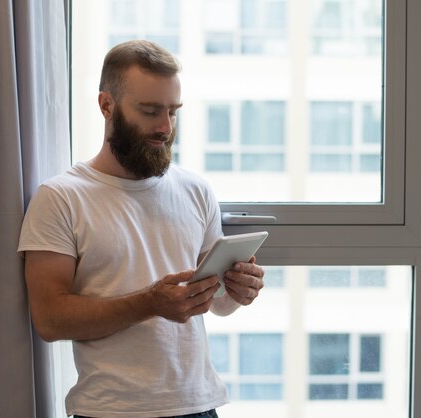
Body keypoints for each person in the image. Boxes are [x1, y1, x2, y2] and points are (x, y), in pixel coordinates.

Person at [18, 40, 265, 418]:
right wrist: (148, 303)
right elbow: (50, 319)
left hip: (200, 405)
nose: (165, 128)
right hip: (111, 410)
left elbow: (216, 303)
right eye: (150, 111)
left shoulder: (195, 190)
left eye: (173, 112)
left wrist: (238, 289)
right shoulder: (61, 198)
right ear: (106, 105)